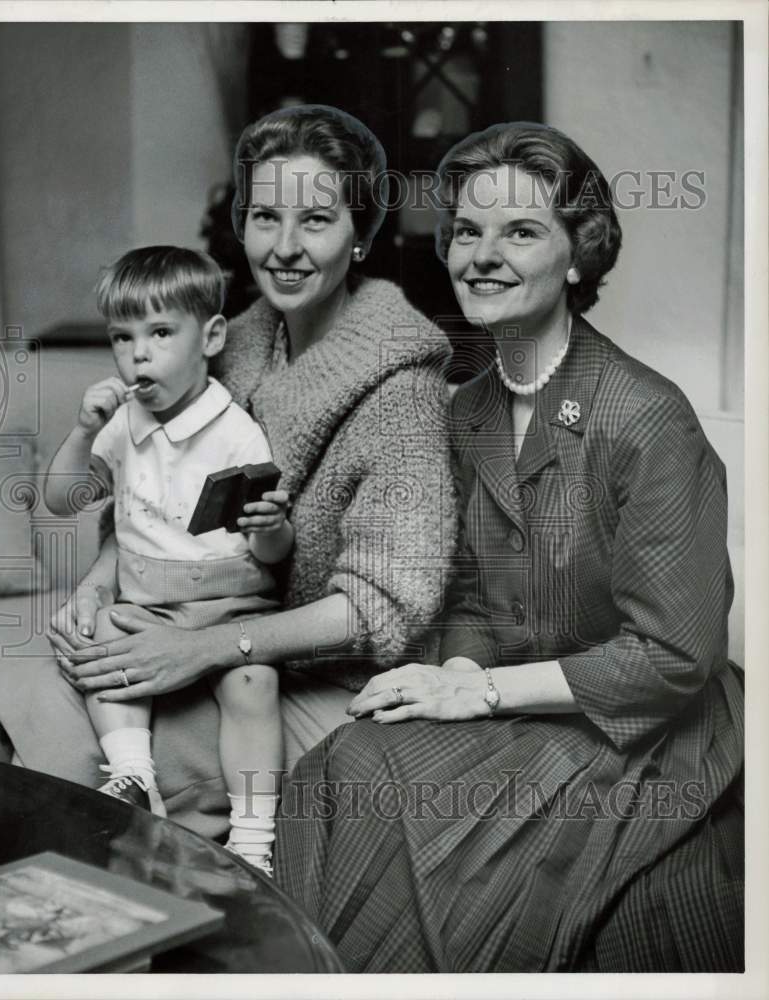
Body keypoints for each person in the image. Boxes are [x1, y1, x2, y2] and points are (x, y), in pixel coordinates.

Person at [274, 122, 745, 972]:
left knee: (466, 856)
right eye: (465, 232)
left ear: (576, 257)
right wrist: (457, 673)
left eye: (520, 231)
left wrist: (481, 693)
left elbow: (676, 653)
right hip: (514, 702)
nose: (481, 256)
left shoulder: (645, 419)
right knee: (346, 762)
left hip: (636, 728)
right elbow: (466, 592)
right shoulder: (463, 410)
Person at [0, 105, 458, 843]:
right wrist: (98, 581)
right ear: (240, 226)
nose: (286, 247)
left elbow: (383, 606)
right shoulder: (227, 345)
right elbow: (151, 502)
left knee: (56, 753)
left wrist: (202, 649)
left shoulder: (401, 387)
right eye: (265, 216)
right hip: (198, 629)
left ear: (361, 237)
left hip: (312, 678)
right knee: (11, 689)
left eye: (317, 220)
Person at [42, 246, 291, 872]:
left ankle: (256, 840)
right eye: (122, 338)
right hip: (147, 600)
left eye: (159, 333)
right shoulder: (123, 422)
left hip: (228, 602)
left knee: (254, 683)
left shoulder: (234, 428)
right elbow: (62, 498)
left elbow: (274, 554)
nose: (139, 354)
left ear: (210, 337)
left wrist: (273, 528)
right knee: (102, 643)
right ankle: (133, 775)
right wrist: (79, 432)